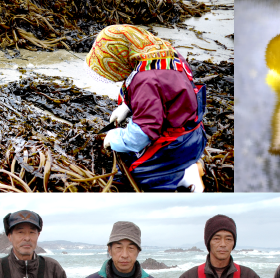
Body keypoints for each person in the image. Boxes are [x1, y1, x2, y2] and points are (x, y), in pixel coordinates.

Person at [86, 24, 207, 192]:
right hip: (196, 133)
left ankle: (186, 174)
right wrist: (127, 107)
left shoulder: (145, 81)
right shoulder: (162, 53)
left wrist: (114, 138)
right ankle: (192, 161)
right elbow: (166, 91)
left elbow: (142, 134)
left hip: (176, 144)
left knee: (131, 175)